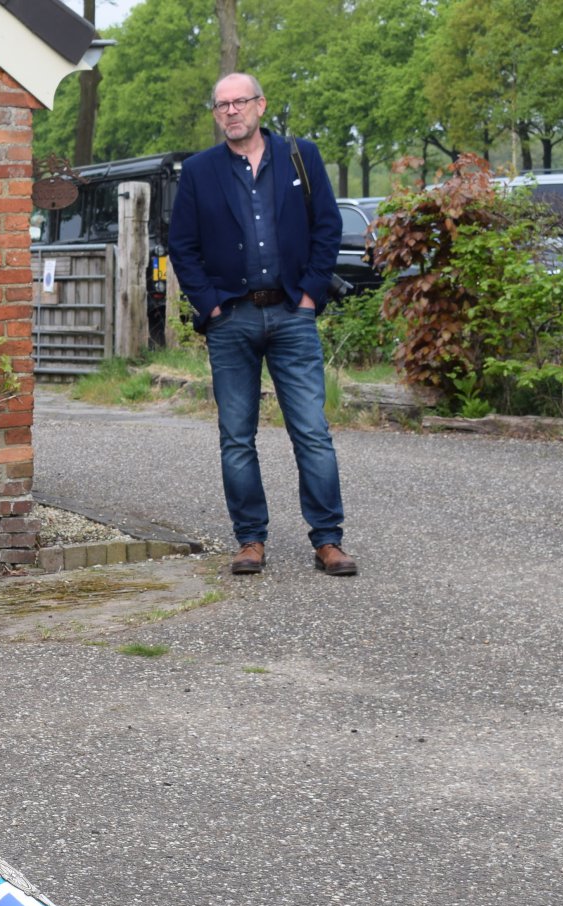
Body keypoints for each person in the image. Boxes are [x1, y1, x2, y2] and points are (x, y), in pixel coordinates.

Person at [167, 72, 358, 578]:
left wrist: (311, 296)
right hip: (231, 318)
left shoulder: (301, 157)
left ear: (260, 105)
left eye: (240, 102)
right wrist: (209, 306)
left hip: (293, 314)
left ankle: (328, 540)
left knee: (312, 432)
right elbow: (181, 246)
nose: (231, 111)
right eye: (222, 105)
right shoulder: (200, 172)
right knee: (236, 436)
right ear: (216, 114)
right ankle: (250, 540)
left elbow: (328, 228)